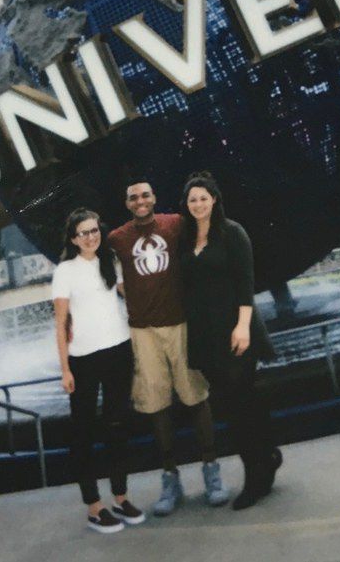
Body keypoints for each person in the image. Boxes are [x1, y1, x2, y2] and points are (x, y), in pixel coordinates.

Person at [108, 179, 230, 515]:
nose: (140, 201)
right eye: (133, 197)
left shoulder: (175, 224)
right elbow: (95, 264)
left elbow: (206, 236)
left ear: (154, 197)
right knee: (156, 404)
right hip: (143, 332)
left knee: (196, 396)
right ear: (127, 203)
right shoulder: (117, 238)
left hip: (180, 324)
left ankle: (211, 471)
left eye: (145, 195)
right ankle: (169, 477)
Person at [178, 172, 281, 510]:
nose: (198, 204)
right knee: (232, 404)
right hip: (205, 335)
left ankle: (256, 476)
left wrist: (242, 327)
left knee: (241, 406)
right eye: (192, 199)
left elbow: (245, 281)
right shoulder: (185, 238)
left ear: (214, 200)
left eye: (203, 198)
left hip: (236, 329)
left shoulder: (232, 232)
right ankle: (267, 456)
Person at [53, 208, 145, 534]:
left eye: (94, 231)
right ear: (73, 239)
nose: (90, 237)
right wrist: (65, 369)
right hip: (84, 359)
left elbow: (131, 294)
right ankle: (94, 506)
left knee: (117, 426)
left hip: (119, 351)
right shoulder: (65, 271)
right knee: (84, 431)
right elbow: (60, 323)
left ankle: (121, 497)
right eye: (83, 233)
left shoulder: (110, 262)